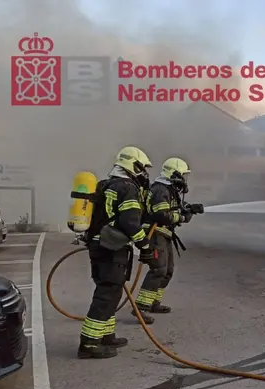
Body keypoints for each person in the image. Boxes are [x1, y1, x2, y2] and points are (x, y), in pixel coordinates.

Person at [78, 146, 156, 359]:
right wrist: (146, 247)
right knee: (107, 294)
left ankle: (105, 334)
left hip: (99, 244)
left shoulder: (105, 184)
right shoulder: (127, 187)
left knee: (111, 291)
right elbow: (130, 223)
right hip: (111, 248)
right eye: (143, 168)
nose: (145, 174)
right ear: (134, 166)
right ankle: (89, 343)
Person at [132, 157, 193, 324]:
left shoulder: (170, 190)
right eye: (182, 174)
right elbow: (161, 214)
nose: (184, 179)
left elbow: (173, 211)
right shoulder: (160, 189)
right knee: (158, 269)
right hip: (154, 233)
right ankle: (141, 308)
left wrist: (189, 210)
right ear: (174, 174)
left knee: (168, 270)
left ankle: (153, 302)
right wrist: (180, 216)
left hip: (164, 234)